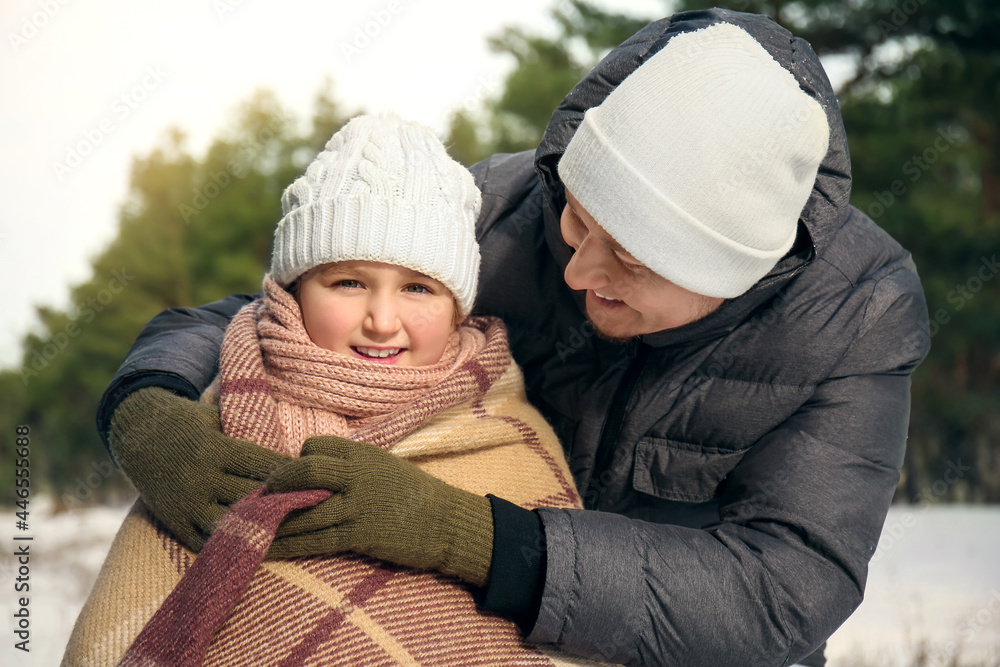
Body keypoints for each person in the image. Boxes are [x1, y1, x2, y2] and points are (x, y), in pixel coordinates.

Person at [95, 10, 930, 667]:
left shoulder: (859, 317)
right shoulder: (504, 208)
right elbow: (282, 306)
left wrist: (479, 535)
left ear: (729, 274)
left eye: (627, 262)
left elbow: (784, 587)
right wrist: (148, 408)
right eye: (579, 218)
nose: (576, 270)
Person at [64, 114, 601, 666]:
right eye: (349, 283)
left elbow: (566, 619)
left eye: (418, 288)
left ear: (458, 306)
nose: (383, 320)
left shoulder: (504, 432)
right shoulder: (215, 411)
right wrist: (140, 409)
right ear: (296, 288)